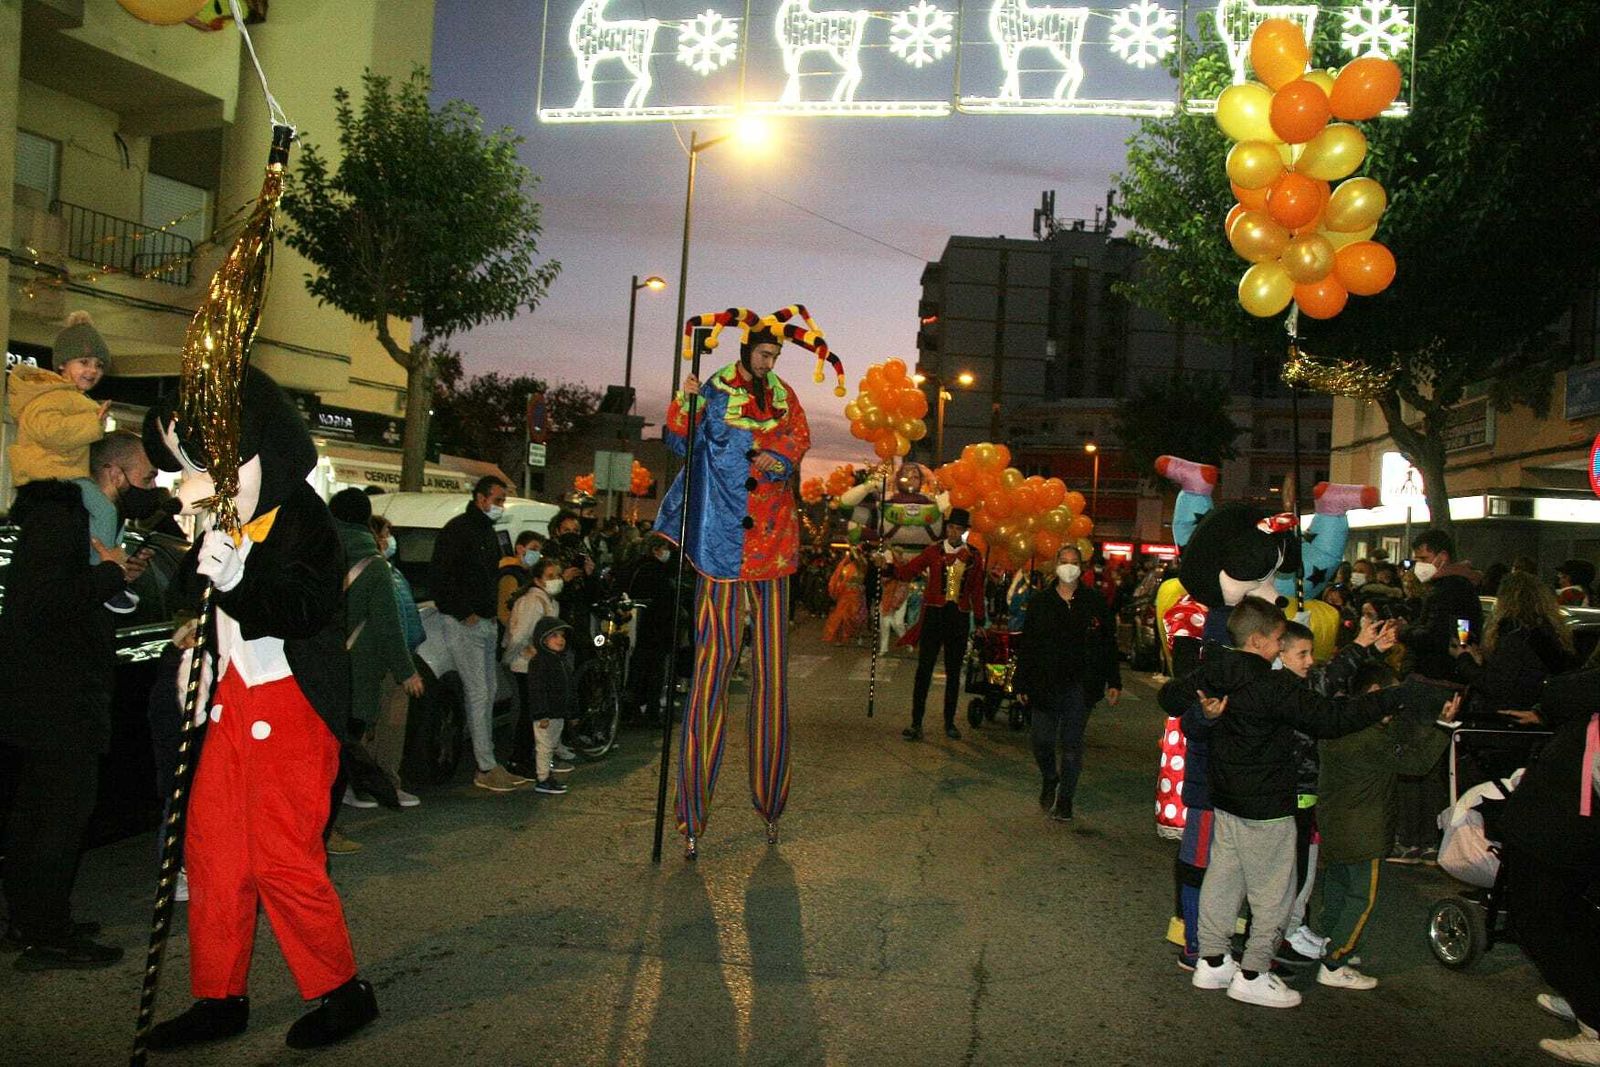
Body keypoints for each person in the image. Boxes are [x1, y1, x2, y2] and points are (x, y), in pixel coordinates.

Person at [142, 368, 379, 1050]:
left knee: (282, 856)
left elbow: (304, 609)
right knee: (213, 853)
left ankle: (341, 989)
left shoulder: (307, 522)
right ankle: (219, 994)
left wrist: (239, 575)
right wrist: (190, 609)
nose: (195, 483)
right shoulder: (217, 520)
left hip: (292, 707)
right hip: (225, 707)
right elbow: (186, 598)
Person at [1173, 596, 1444, 1009]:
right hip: (1266, 804)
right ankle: (1253, 972)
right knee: (1274, 894)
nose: (1284, 647)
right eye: (1281, 639)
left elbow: (1173, 700)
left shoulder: (1217, 672)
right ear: (1261, 641)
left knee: (1224, 880)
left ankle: (1212, 961)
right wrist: (1394, 697)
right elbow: (1331, 719)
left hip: (1226, 797)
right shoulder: (1271, 685)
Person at [653, 318, 812, 858]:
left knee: (771, 680)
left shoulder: (783, 396)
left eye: (775, 355)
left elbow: (798, 436)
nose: (770, 363)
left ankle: (772, 803)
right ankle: (692, 813)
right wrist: (687, 401)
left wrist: (782, 457)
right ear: (745, 352)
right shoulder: (714, 389)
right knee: (709, 676)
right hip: (720, 546)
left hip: (772, 548)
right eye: (764, 354)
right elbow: (679, 444)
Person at [0, 479, 140, 970]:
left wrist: (110, 574)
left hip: (47, 718)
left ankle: (33, 920)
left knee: (37, 821)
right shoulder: (51, 563)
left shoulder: (36, 559)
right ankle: (47, 933)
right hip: (63, 718)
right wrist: (107, 572)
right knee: (56, 827)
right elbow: (57, 608)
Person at [1315, 659, 1460, 991]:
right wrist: (1443, 725)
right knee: (1360, 899)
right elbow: (1417, 762)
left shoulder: (1340, 725)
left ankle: (1328, 941)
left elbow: (1396, 735)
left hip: (1336, 826)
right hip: (1363, 833)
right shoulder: (1370, 738)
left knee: (1336, 890)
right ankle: (1336, 960)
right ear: (1376, 693)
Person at [1497, 667, 1600, 1064]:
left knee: (1542, 920)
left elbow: (1560, 691)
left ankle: (1593, 1019)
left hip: (1565, 824)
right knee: (1572, 917)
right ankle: (1585, 997)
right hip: (1568, 819)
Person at [329, 489, 424, 810]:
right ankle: (363, 789)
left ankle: (345, 791)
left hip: (321, 659)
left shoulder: (319, 550)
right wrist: (406, 670)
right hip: (361, 660)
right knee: (354, 731)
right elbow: (387, 623)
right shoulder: (373, 564)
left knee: (332, 735)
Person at [429, 476, 525, 793]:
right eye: (497, 500)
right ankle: (485, 766)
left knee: (488, 688)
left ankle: (489, 762)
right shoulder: (459, 530)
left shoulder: (487, 531)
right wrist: (463, 611)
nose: (501, 506)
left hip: (483, 621)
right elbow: (441, 577)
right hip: (465, 622)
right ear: (481, 498)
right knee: (479, 692)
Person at [1013, 544, 1122, 821]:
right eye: (1064, 561)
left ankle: (1065, 800)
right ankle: (1050, 777)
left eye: (1074, 562)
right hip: (1045, 683)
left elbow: (1108, 643)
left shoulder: (1094, 602)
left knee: (1072, 743)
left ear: (1082, 567)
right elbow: (1028, 645)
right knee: (1041, 740)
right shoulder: (1041, 602)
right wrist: (1021, 683)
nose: (1069, 566)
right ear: (1056, 565)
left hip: (1081, 684)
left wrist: (1114, 681)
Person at [892, 508, 985, 742]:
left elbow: (977, 589)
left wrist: (981, 620)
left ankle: (949, 722)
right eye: (951, 527)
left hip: (959, 617)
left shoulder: (974, 556)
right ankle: (916, 723)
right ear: (947, 528)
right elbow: (909, 571)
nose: (954, 531)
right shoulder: (933, 551)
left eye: (958, 528)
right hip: (934, 615)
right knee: (924, 670)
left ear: (964, 531)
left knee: (954, 673)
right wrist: (888, 568)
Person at [1453, 571, 1577, 723]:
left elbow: (1496, 686)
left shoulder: (1515, 638)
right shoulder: (1551, 633)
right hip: (1539, 716)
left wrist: (1464, 659)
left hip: (1512, 720)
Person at [503, 558, 567, 779]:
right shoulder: (533, 602)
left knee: (535, 712)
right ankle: (520, 759)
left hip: (537, 665)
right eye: (550, 576)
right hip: (526, 666)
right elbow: (519, 635)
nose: (556, 580)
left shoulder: (549, 601)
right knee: (530, 714)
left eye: (558, 575)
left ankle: (532, 759)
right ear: (538, 580)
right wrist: (512, 658)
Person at [524, 616, 578, 795]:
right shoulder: (540, 662)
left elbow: (569, 689)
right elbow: (537, 690)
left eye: (562, 636)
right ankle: (542, 778)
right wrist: (541, 714)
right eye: (554, 636)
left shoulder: (560, 661)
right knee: (545, 746)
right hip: (546, 716)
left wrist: (572, 712)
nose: (560, 640)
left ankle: (547, 774)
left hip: (557, 713)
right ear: (543, 639)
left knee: (551, 745)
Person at [497, 530, 544, 627]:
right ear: (519, 548)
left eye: (540, 551)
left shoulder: (526, 574)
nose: (537, 554)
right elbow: (504, 612)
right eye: (534, 549)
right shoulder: (510, 575)